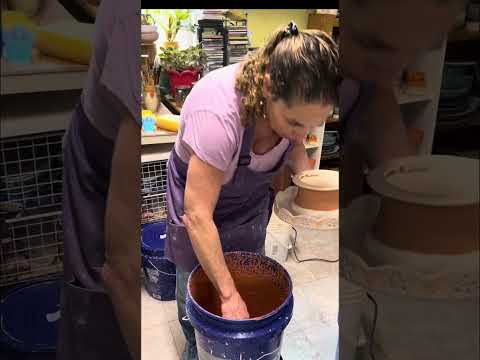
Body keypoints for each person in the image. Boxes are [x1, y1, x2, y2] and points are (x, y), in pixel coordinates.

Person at [165, 23, 339, 360]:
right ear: (267, 86)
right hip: (198, 206)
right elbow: (198, 216)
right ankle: (197, 347)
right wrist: (229, 298)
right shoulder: (218, 115)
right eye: (294, 124)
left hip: (245, 204)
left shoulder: (291, 112)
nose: (301, 135)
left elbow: (296, 150)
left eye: (311, 124)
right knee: (201, 291)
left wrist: (312, 193)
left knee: (246, 271)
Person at [57, 0, 141, 359]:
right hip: (96, 152)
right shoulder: (133, 20)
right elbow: (119, 269)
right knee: (100, 307)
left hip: (125, 126)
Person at [338, 0, 467, 206]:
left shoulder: (372, 87)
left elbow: (401, 177)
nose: (391, 72)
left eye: (416, 50)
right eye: (372, 44)